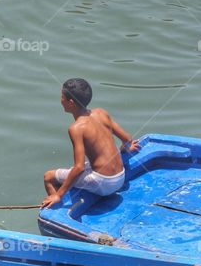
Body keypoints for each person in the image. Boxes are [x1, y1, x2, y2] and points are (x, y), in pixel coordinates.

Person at [42, 78, 140, 209]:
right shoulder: (101, 112)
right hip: (120, 177)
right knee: (76, 170)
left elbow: (79, 168)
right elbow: (128, 139)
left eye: (62, 97)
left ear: (71, 103)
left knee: (49, 177)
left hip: (104, 184)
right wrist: (126, 149)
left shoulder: (76, 128)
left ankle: (55, 209)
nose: (61, 100)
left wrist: (58, 195)